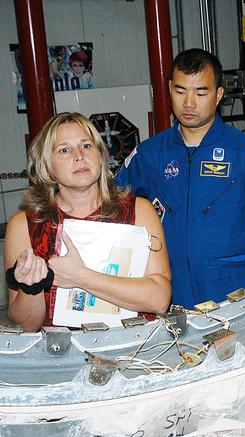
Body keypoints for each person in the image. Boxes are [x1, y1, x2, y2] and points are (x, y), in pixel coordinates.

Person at [116, 48, 245, 308]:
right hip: (168, 292)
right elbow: (109, 207)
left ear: (219, 95)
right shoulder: (150, 154)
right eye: (180, 91)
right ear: (169, 89)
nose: (189, 103)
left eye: (201, 93)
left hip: (233, 294)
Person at [4, 112, 171, 332]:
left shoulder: (139, 211)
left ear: (101, 157)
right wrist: (31, 288)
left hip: (133, 348)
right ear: (47, 166)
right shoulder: (25, 225)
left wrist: (81, 276)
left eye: (86, 146)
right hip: (61, 354)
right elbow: (27, 325)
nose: (78, 156)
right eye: (64, 150)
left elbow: (159, 299)